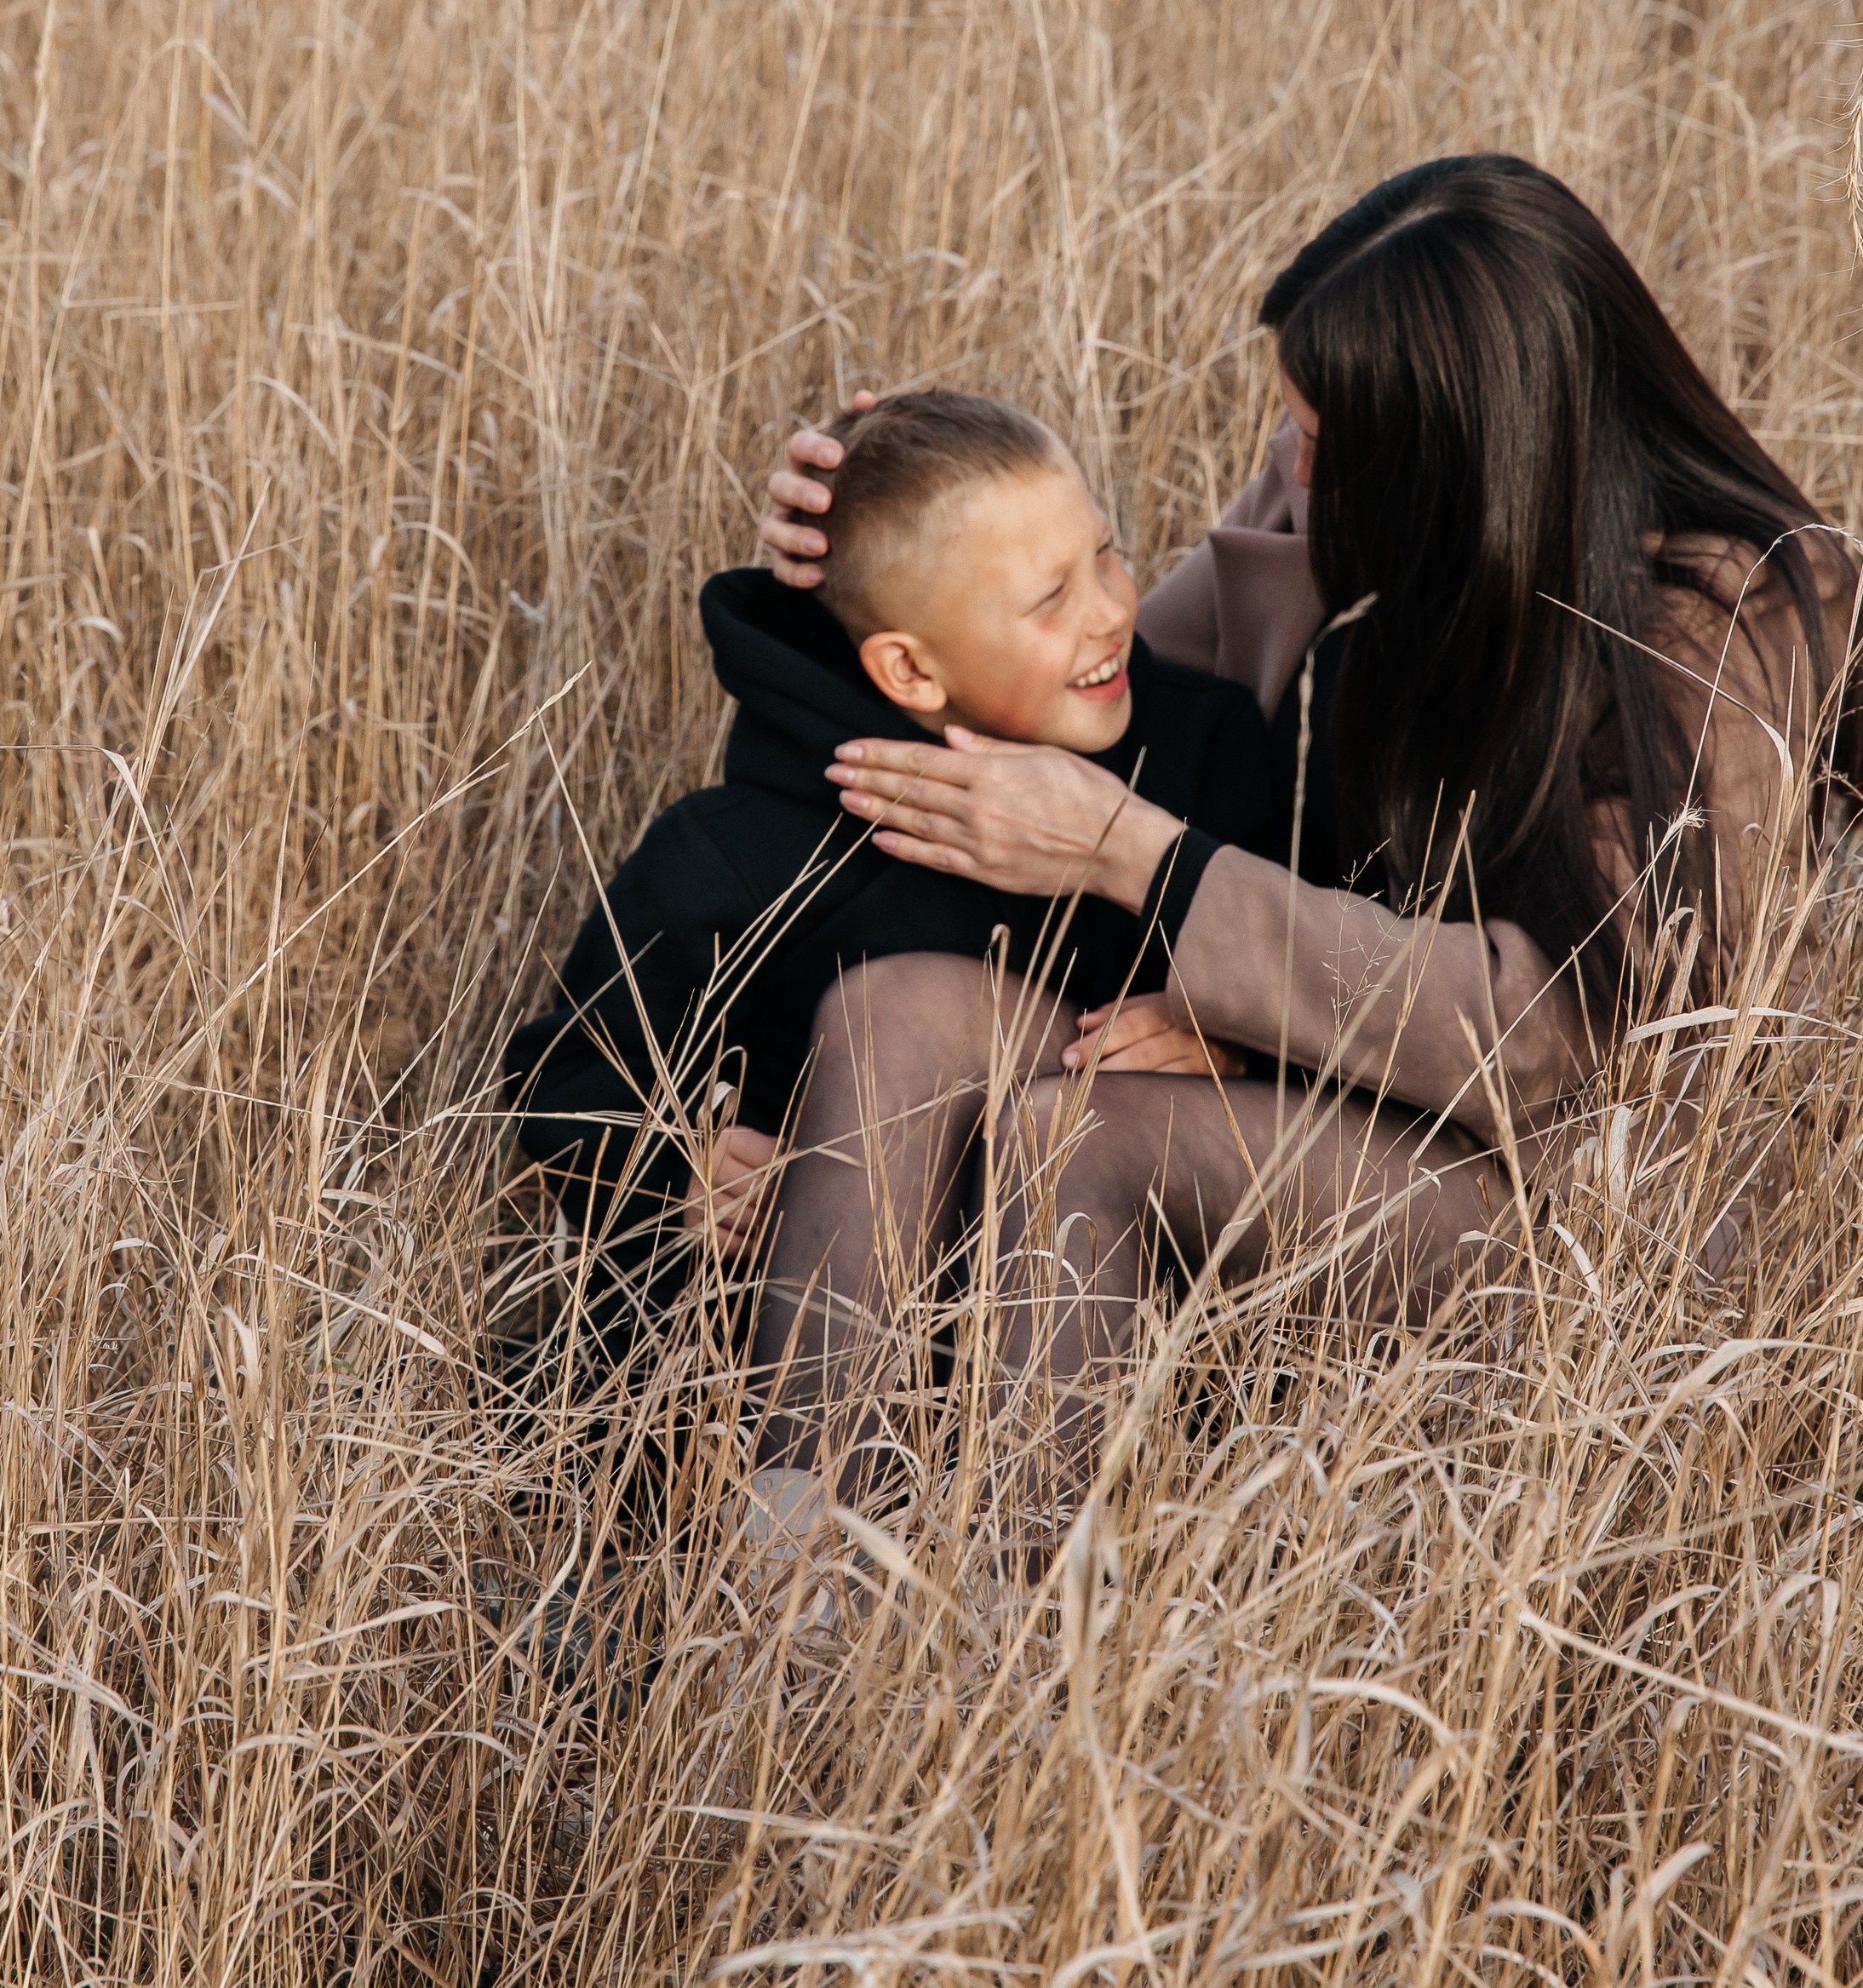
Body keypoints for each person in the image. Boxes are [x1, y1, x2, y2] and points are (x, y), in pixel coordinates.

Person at [758, 155, 1860, 1490]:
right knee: (899, 1013)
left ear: (1452, 458)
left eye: (1322, 443)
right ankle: (804, 1581)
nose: (1287, 468)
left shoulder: (1718, 622)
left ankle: (1023, 1621)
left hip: (1580, 1200)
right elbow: (1068, 698)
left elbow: (1550, 1032)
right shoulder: (1352, 511)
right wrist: (869, 563)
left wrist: (1134, 858)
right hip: (1337, 1081)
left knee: (1075, 1133)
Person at [504, 390, 1273, 1383]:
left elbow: (1314, 966)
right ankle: (794, 1522)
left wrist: (1228, 1034)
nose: (1114, 607)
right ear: (908, 669)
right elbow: (566, 1072)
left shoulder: (1205, 756)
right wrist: (678, 1161)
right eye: (1050, 597)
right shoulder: (737, 848)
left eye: (1107, 553)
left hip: (1112, 1340)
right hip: (794, 1350)